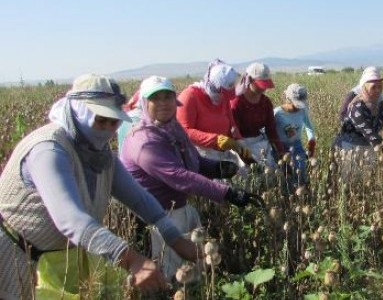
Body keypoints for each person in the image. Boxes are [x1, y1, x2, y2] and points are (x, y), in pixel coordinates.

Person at [0, 74, 201, 300]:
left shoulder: (100, 153)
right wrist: (132, 259)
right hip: (15, 255)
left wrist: (174, 238)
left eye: (113, 121)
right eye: (100, 119)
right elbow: (71, 220)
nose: (106, 128)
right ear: (78, 113)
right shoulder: (49, 149)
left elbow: (139, 199)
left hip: (59, 258)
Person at [120, 76, 263, 281]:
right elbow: (180, 177)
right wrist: (228, 193)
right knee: (174, 275)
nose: (163, 103)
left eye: (168, 97)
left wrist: (219, 168)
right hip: (158, 217)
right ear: (144, 102)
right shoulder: (144, 141)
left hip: (178, 208)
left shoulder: (172, 126)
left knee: (192, 270)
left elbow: (193, 161)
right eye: (156, 98)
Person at [177, 59, 252, 170]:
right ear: (216, 88)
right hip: (199, 153)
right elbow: (183, 130)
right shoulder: (190, 96)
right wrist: (216, 139)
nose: (227, 97)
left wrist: (240, 142)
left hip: (221, 151)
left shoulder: (222, 98)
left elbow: (231, 124)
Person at [334, 67, 383, 165]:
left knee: (370, 176)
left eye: (379, 87)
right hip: (349, 149)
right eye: (373, 87)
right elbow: (369, 133)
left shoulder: (377, 105)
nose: (378, 90)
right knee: (354, 178)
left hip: (368, 148)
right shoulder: (357, 107)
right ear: (364, 88)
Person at [231, 62, 285, 169]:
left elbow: (271, 130)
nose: (264, 88)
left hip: (260, 144)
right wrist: (246, 156)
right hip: (240, 146)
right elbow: (233, 133)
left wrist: (281, 152)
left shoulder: (266, 102)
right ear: (249, 80)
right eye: (261, 84)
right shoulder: (236, 103)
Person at [273, 83, 317, 187]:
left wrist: (311, 141)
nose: (298, 107)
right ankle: (286, 197)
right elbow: (270, 132)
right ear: (288, 99)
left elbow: (309, 127)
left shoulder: (303, 111)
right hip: (280, 148)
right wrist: (277, 149)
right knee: (284, 175)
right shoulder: (277, 113)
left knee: (301, 172)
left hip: (297, 146)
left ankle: (301, 195)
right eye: (296, 104)